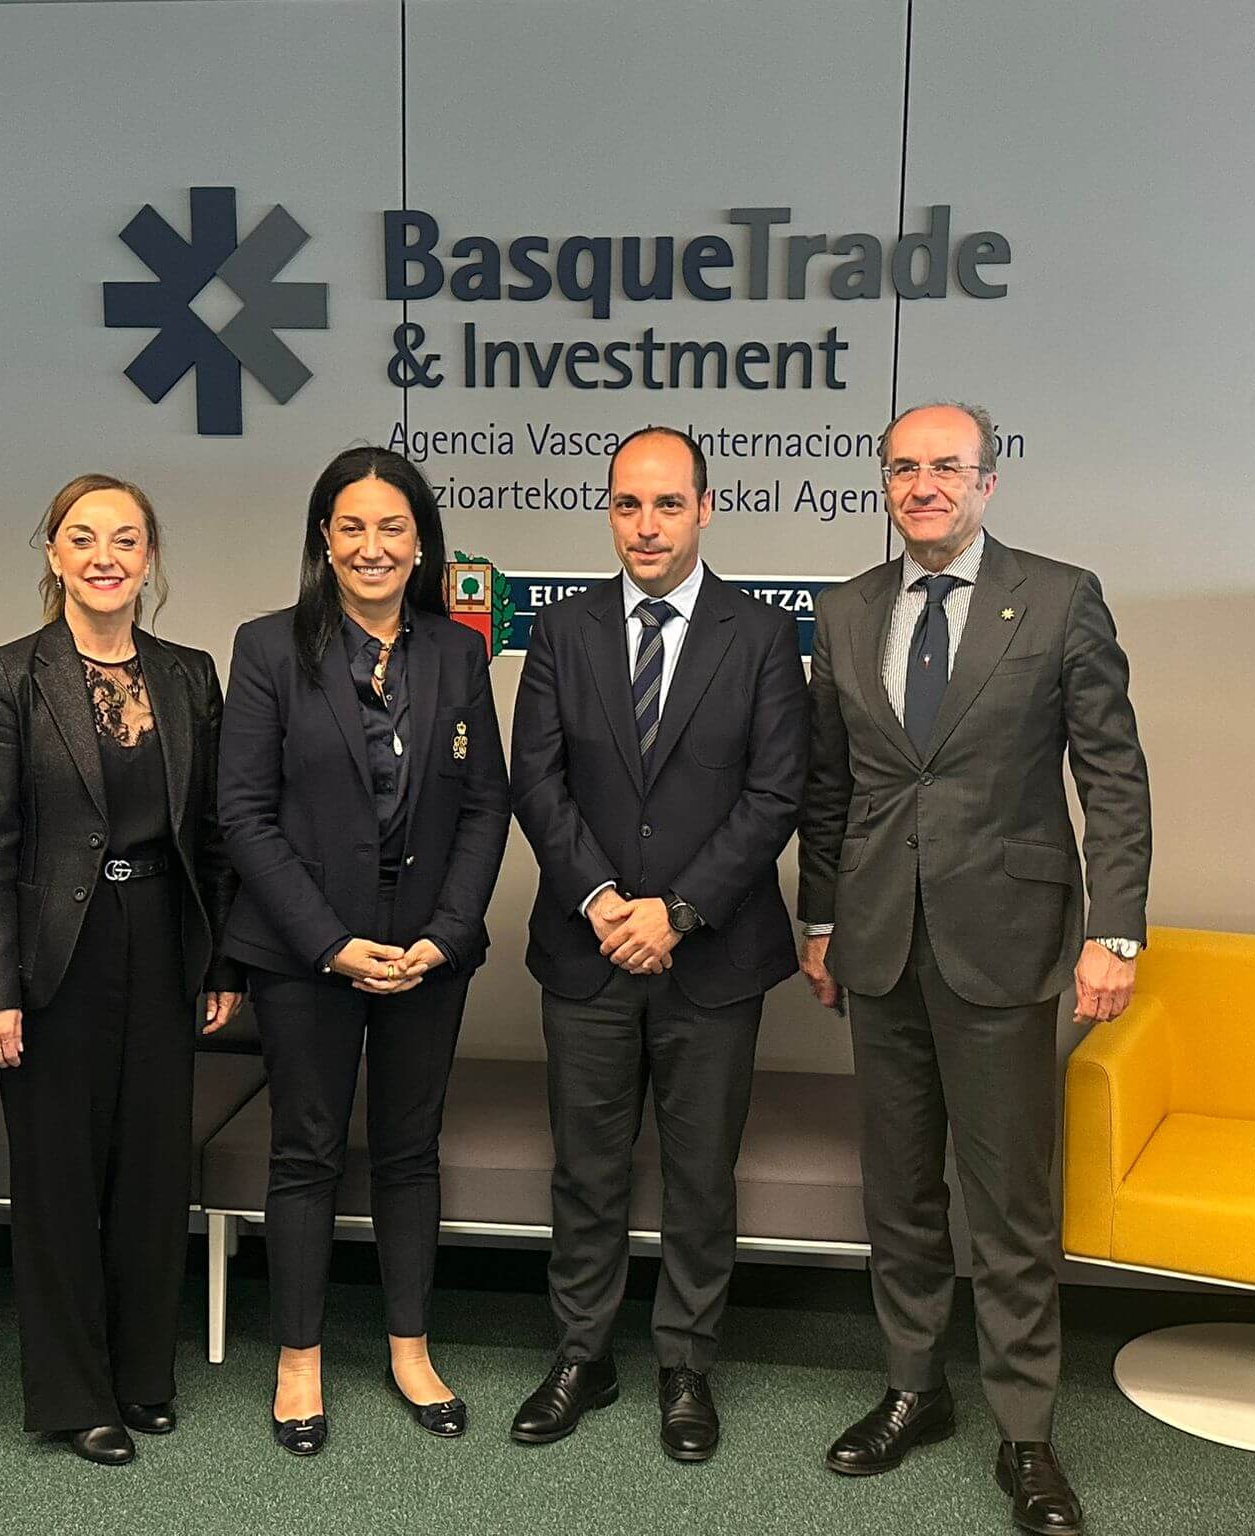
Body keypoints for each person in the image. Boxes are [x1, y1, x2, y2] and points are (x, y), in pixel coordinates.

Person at [798, 402, 1152, 1535]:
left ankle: (1026, 1431)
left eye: (946, 468)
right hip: (877, 943)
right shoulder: (847, 609)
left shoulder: (1057, 598)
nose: (923, 486)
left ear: (987, 483)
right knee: (899, 1191)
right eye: (903, 468)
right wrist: (818, 919)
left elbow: (1112, 776)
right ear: (884, 484)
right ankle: (914, 1387)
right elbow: (828, 784)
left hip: (1004, 940)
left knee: (1007, 1203)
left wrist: (1115, 931)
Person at [507, 426, 807, 1463]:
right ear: (609, 512)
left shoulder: (761, 635)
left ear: (704, 509)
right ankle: (582, 1355)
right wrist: (602, 901)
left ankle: (686, 1365)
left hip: (711, 957)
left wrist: (674, 911)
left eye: (667, 504)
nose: (646, 526)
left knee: (700, 1176)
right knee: (585, 1171)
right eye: (628, 505)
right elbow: (536, 780)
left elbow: (775, 793)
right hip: (586, 950)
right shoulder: (562, 630)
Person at [217, 446, 509, 1457]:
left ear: (420, 542)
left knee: (409, 1150)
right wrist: (330, 942)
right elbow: (243, 814)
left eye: (392, 527)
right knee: (305, 1152)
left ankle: (409, 1348)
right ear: (324, 538)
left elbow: (486, 805)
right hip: (305, 946)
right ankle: (298, 1361)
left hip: (427, 945)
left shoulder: (457, 652)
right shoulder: (268, 648)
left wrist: (447, 934)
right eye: (351, 526)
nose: (372, 546)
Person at [0, 474, 243, 1465]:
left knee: (153, 1171)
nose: (104, 556)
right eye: (82, 538)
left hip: (162, 937)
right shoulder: (12, 675)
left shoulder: (189, 675)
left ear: (149, 557)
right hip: (53, 956)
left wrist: (221, 962)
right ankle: (76, 1396)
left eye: (124, 538)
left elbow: (214, 834)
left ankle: (142, 1376)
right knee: (59, 1178)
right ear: (54, 554)